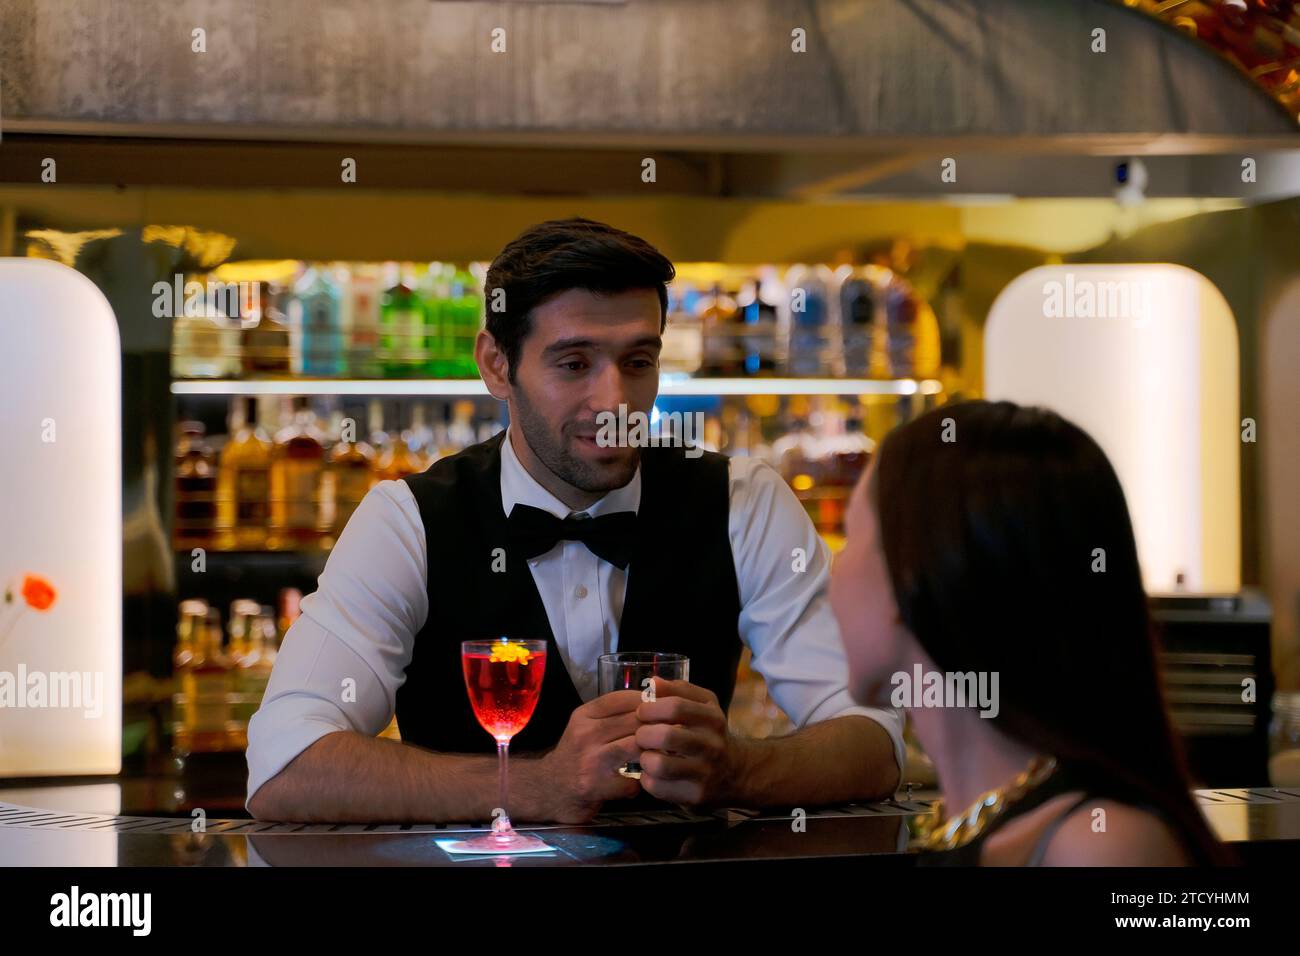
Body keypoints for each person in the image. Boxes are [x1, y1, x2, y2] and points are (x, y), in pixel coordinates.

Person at [247, 217, 903, 823]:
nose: (614, 401)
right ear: (496, 365)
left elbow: (874, 740)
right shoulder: (409, 521)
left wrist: (739, 768)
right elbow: (284, 767)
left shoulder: (742, 499)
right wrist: (533, 786)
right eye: (574, 363)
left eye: (638, 362)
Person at [829, 399, 1230, 865]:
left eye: (850, 534)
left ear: (909, 574)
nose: (831, 574)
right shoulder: (964, 825)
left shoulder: (1094, 846)